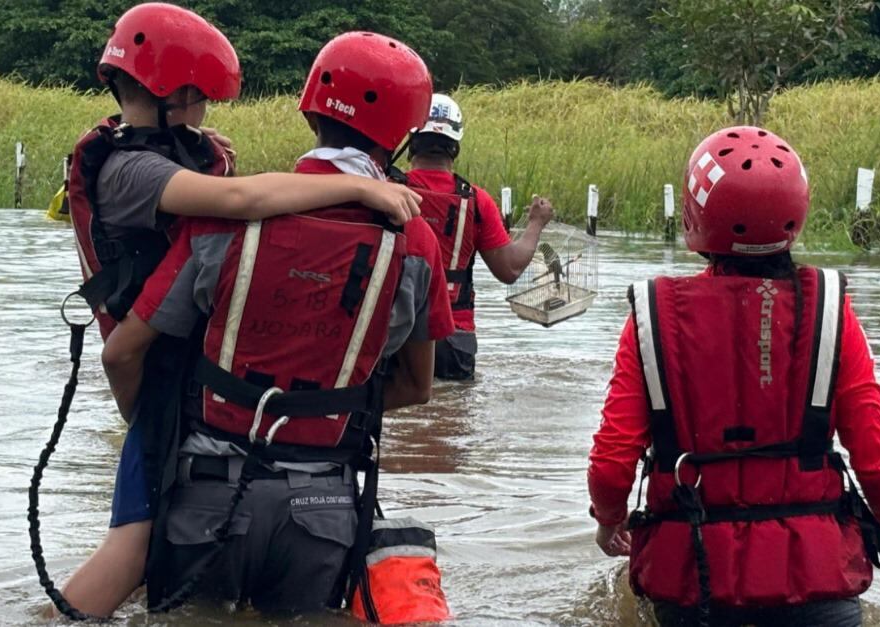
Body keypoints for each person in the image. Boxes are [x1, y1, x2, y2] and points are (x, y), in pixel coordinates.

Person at [51, 5, 424, 618]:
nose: (205, 115)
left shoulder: (146, 150)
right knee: (131, 546)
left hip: (173, 370)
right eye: (201, 100)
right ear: (175, 90)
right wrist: (360, 187)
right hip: (163, 376)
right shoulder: (135, 170)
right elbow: (243, 198)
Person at [588, 126, 880, 627]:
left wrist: (610, 522)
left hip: (693, 588)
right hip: (818, 588)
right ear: (796, 212)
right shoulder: (832, 310)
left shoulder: (652, 316)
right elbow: (876, 454)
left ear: (697, 215)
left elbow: (612, 461)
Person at [405, 94, 554, 380]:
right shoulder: (476, 201)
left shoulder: (385, 188)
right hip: (454, 335)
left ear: (411, 144)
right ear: (455, 147)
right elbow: (509, 269)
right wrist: (536, 223)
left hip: (394, 330)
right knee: (453, 418)